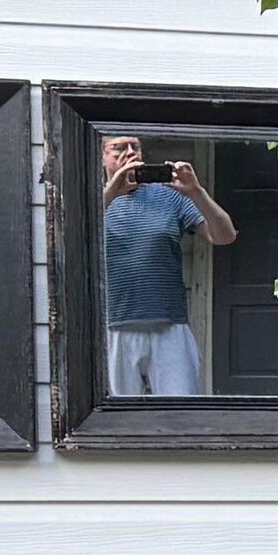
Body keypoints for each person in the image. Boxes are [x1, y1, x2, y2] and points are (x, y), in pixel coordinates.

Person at [97, 137, 235, 398]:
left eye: (135, 147)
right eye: (119, 148)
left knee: (183, 411)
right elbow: (72, 234)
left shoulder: (170, 196)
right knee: (114, 417)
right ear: (102, 157)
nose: (130, 153)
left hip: (169, 325)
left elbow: (224, 235)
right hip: (113, 327)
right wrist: (112, 191)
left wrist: (196, 191)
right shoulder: (95, 201)